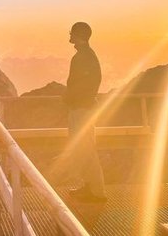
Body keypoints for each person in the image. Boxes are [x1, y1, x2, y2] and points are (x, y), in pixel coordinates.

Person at [64, 21, 106, 202]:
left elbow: (81, 84)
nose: (70, 36)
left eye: (72, 33)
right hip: (83, 107)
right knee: (84, 148)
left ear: (79, 36)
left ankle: (97, 192)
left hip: (82, 109)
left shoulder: (83, 57)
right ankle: (89, 187)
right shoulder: (86, 55)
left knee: (86, 149)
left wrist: (70, 98)